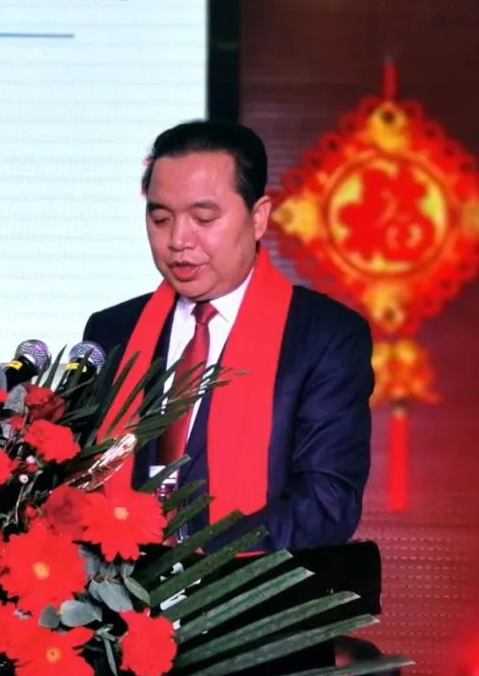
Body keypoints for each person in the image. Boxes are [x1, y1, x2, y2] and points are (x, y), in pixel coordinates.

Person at [84, 120, 373, 552]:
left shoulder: (324, 336)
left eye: (203, 218)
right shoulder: (112, 331)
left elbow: (326, 501)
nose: (178, 240)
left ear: (258, 218)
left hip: (249, 588)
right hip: (116, 586)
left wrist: (196, 561)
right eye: (160, 218)